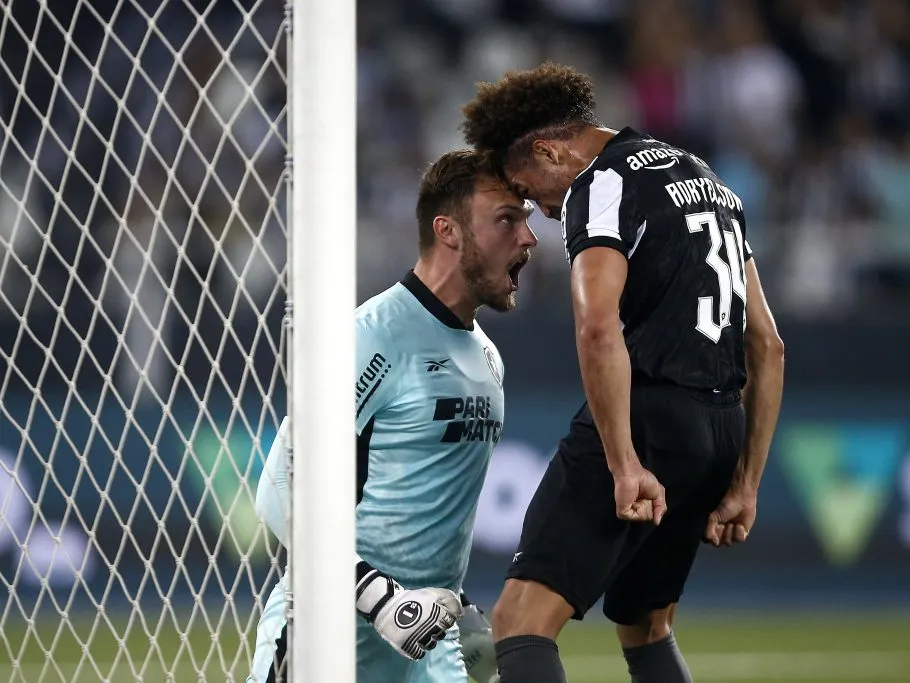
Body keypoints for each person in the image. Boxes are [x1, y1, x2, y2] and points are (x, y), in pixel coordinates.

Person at [459, 63, 785, 683]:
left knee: (520, 618)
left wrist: (624, 463)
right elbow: (767, 344)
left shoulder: (600, 183)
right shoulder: (705, 177)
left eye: (532, 191)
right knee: (645, 624)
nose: (546, 213)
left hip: (651, 418)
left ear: (552, 150)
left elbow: (597, 326)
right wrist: (745, 480)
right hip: (719, 429)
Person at [248, 149, 538, 683]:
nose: (528, 238)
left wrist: (460, 620)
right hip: (324, 637)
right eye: (507, 219)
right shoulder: (369, 338)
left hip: (429, 641)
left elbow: (428, 523)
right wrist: (381, 599)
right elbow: (277, 493)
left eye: (526, 219)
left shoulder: (489, 357)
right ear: (448, 231)